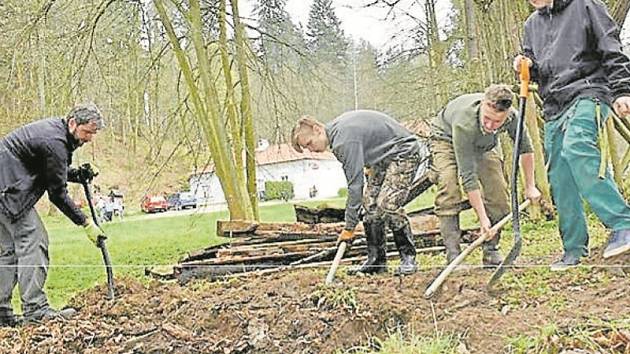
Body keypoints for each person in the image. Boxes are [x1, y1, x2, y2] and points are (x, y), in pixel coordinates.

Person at [515, 0, 630, 270]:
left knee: (577, 146)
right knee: (559, 175)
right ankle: (575, 248)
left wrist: (623, 89)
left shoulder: (585, 5)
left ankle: (623, 223)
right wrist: (525, 65)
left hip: (588, 90)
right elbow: (535, 69)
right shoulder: (532, 24)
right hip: (554, 104)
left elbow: (610, 46)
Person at [0, 102, 106, 326]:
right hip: (8, 192)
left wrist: (76, 174)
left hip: (5, 186)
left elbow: (51, 169)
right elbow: (57, 194)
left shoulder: (55, 133)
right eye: (87, 132)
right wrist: (85, 223)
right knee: (34, 240)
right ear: (72, 123)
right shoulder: (55, 142)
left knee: (9, 251)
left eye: (93, 134)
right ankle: (35, 309)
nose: (89, 139)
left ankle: (2, 312)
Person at [291, 110, 422, 275]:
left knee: (387, 203)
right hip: (383, 159)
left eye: (309, 143)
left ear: (317, 129)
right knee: (370, 207)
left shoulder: (343, 141)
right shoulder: (338, 133)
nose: (311, 150)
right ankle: (376, 262)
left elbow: (355, 186)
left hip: (404, 153)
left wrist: (349, 227)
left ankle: (408, 257)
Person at [429, 84, 542, 266]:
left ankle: (491, 249)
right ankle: (453, 254)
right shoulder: (464, 122)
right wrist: (482, 218)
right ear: (483, 104)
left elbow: (526, 150)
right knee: (449, 186)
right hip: (446, 139)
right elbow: (468, 177)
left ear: (506, 115)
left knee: (498, 191)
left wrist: (530, 186)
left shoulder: (513, 117)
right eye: (487, 118)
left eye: (497, 122)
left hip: (483, 145)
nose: (490, 125)